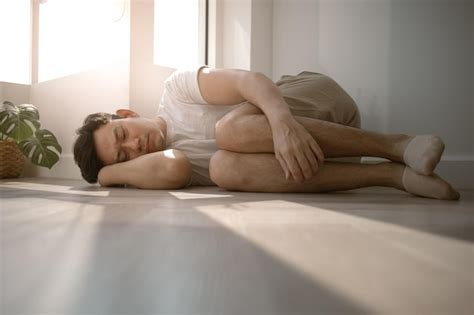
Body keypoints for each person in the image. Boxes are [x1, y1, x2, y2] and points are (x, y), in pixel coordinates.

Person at [73, 66, 460, 200]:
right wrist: (106, 175)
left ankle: (397, 145)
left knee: (230, 131)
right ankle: (394, 176)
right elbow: (173, 168)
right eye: (124, 156)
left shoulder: (176, 91)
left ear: (125, 113)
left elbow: (249, 81)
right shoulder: (163, 166)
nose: (135, 145)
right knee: (224, 170)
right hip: (329, 156)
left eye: (122, 133)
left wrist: (282, 124)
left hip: (317, 101)